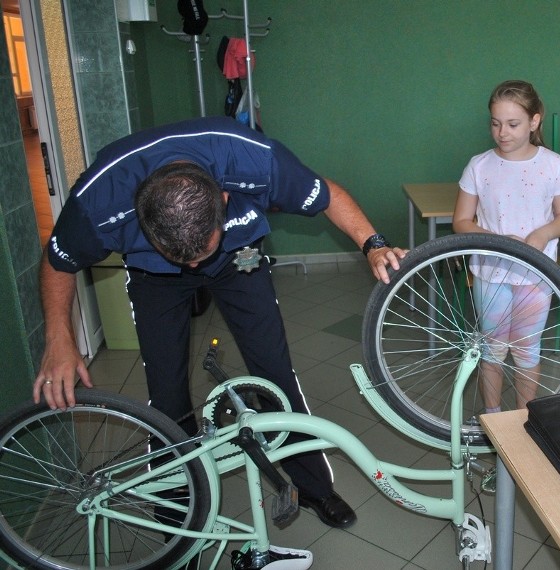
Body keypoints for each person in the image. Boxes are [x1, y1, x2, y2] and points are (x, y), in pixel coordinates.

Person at [33, 116, 406, 529]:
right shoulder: (100, 198)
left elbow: (327, 194)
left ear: (224, 198)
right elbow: (58, 261)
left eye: (200, 253)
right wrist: (59, 338)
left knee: (275, 370)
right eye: (186, 259)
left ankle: (315, 487)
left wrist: (374, 244)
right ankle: (178, 508)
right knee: (165, 390)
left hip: (238, 258)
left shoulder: (251, 159)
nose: (195, 267)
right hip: (154, 278)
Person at [452, 80, 560, 412]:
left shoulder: (552, 164)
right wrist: (494, 240)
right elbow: (461, 221)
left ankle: (525, 418)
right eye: (495, 123)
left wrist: (544, 233)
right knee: (493, 350)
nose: (502, 132)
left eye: (512, 124)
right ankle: (493, 417)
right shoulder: (479, 165)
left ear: (534, 121)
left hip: (536, 276)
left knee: (526, 351)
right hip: (491, 274)